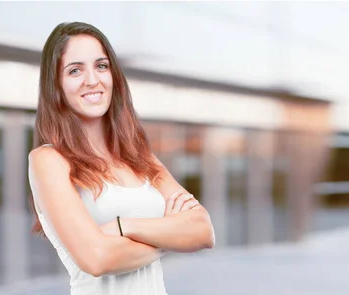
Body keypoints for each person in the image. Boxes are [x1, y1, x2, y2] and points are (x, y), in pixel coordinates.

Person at [28, 21, 215, 295]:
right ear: (56, 85)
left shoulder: (140, 157)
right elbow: (97, 258)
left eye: (101, 66)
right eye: (75, 70)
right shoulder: (48, 160)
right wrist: (172, 235)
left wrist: (122, 227)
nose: (92, 80)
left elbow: (203, 231)